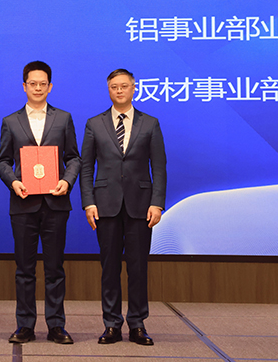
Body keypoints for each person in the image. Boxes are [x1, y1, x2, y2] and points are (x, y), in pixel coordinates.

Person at [79, 68, 167, 346]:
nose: (119, 90)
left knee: (138, 267)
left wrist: (157, 203)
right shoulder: (94, 124)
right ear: (109, 90)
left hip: (141, 206)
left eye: (124, 86)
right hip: (105, 205)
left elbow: (159, 166)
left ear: (134, 88)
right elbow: (85, 167)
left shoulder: (150, 123)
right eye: (114, 87)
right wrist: (88, 202)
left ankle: (138, 324)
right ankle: (112, 324)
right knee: (109, 268)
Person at [0, 61, 81, 344]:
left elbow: (73, 157)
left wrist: (67, 181)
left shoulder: (63, 118)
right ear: (24, 86)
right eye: (32, 83)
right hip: (23, 204)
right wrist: (13, 182)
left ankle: (56, 325)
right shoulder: (10, 121)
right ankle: (25, 325)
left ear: (50, 86)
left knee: (55, 268)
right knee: (24, 269)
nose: (37, 88)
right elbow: (3, 161)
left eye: (43, 84)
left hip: (56, 203)